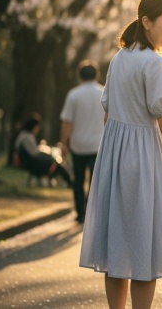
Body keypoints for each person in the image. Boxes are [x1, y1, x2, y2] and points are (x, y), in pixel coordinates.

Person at [79, 0, 162, 309]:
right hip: (145, 157)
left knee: (118, 246)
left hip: (114, 157)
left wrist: (116, 150)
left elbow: (108, 112)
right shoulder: (154, 63)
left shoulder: (119, 59)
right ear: (147, 22)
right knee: (144, 249)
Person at [59, 60, 105, 224]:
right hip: (99, 145)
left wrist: (63, 143)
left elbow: (67, 122)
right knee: (95, 182)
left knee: (78, 180)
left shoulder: (73, 95)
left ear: (80, 76)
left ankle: (80, 213)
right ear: (97, 75)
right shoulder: (104, 92)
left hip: (78, 145)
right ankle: (92, 213)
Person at [14, 114, 72, 188]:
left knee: (55, 163)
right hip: (33, 164)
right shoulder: (27, 138)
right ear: (34, 127)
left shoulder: (23, 135)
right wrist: (45, 152)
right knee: (57, 164)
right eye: (37, 128)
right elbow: (34, 153)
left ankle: (65, 181)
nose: (38, 130)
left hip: (30, 162)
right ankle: (70, 182)